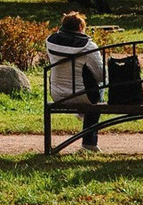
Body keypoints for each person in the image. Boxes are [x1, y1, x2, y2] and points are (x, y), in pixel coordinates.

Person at [43, 11, 108, 152]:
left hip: (58, 94)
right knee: (100, 88)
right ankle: (89, 143)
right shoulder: (89, 46)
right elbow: (101, 75)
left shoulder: (50, 41)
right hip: (83, 96)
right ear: (80, 27)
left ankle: (82, 112)